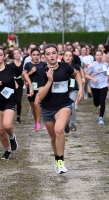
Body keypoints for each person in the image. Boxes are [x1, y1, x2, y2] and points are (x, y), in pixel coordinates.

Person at [36, 44, 83, 174]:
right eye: (48, 54)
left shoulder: (65, 67)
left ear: (58, 54)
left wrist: (81, 89)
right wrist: (50, 81)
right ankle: (57, 160)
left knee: (59, 129)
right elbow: (40, 95)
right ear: (44, 56)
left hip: (64, 104)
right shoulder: (41, 71)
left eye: (53, 53)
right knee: (53, 138)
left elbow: (77, 74)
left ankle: (61, 162)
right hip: (47, 107)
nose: (51, 56)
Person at [0, 48, 34, 160]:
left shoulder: (11, 68)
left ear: (4, 57)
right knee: (1, 131)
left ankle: (12, 137)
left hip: (9, 99)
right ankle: (7, 150)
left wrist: (30, 87)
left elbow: (23, 74)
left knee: (7, 125)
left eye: (0, 55)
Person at [24, 48, 45, 131]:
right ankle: (36, 122)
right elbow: (24, 76)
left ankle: (41, 123)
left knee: (40, 105)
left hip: (41, 88)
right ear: (31, 56)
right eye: (34, 55)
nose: (36, 57)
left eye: (37, 55)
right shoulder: (28, 65)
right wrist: (31, 72)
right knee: (33, 107)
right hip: (31, 88)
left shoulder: (43, 64)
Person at [85, 50, 108, 124]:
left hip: (104, 85)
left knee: (102, 101)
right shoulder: (92, 65)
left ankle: (101, 117)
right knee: (96, 103)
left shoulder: (105, 64)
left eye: (100, 55)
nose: (99, 56)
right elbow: (86, 75)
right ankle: (98, 104)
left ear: (102, 56)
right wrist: (93, 79)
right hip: (94, 86)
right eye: (97, 55)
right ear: (95, 56)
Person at [62, 50, 82, 133]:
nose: (68, 57)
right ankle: (66, 123)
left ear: (72, 58)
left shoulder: (76, 66)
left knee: (72, 104)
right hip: (62, 90)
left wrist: (81, 87)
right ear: (63, 57)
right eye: (66, 55)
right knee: (64, 107)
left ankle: (73, 123)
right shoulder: (60, 66)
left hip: (73, 89)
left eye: (70, 56)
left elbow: (79, 74)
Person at [11, 49, 24, 124]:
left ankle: (18, 117)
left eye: (18, 53)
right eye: (15, 53)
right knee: (13, 99)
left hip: (20, 82)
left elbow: (25, 72)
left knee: (19, 100)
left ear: (20, 54)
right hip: (12, 82)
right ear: (13, 55)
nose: (17, 55)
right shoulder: (11, 65)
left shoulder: (23, 64)